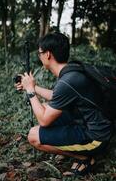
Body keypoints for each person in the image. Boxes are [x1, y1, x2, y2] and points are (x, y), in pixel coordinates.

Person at [15, 32, 113, 176]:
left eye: (39, 53)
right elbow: (56, 96)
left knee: (34, 135)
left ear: (47, 54)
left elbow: (43, 121)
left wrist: (30, 91)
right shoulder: (72, 70)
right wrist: (32, 87)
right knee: (47, 108)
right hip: (92, 120)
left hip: (96, 136)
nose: (39, 56)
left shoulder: (67, 81)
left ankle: (85, 158)